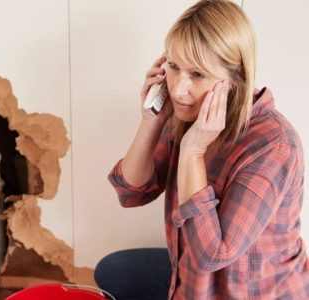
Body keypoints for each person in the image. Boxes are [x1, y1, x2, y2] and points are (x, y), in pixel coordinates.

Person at [95, 0, 309, 299]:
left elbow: (211, 256)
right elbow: (131, 193)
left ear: (236, 78)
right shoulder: (187, 113)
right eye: (173, 67)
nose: (179, 89)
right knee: (113, 270)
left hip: (249, 293)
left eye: (198, 75)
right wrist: (151, 122)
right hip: (192, 283)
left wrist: (193, 152)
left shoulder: (274, 145)